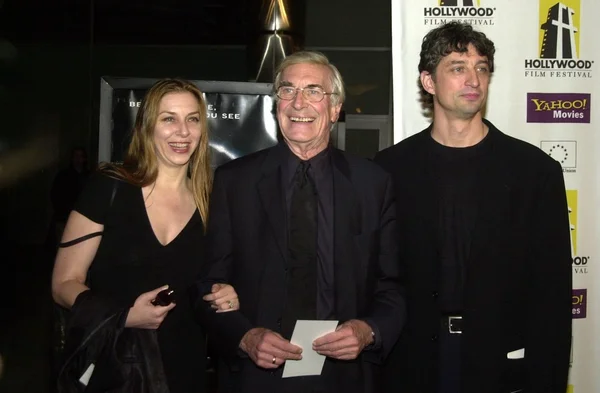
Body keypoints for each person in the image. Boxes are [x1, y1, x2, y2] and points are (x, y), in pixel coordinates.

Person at [375, 22, 572, 393]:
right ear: (428, 81)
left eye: (481, 68)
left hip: (499, 362)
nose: (474, 80)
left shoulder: (535, 172)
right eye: (457, 67)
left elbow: (552, 295)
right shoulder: (388, 169)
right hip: (412, 362)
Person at [193, 51, 406, 393]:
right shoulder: (235, 181)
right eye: (288, 90)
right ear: (276, 103)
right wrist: (245, 336)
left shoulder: (373, 184)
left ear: (335, 108)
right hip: (256, 375)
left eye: (313, 91)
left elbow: (392, 286)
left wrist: (367, 331)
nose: (298, 103)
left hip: (345, 376)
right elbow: (206, 285)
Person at [51, 78, 240, 393]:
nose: (182, 131)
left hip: (184, 368)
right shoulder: (109, 187)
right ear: (147, 126)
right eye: (169, 119)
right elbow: (63, 284)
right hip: (113, 365)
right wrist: (123, 316)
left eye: (192, 119)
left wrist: (225, 292)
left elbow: (208, 282)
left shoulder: (211, 201)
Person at [49, 147, 90, 245]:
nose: (78, 159)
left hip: (83, 220)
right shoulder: (63, 176)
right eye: (76, 156)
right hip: (64, 218)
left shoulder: (89, 177)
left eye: (80, 156)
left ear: (85, 158)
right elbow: (55, 195)